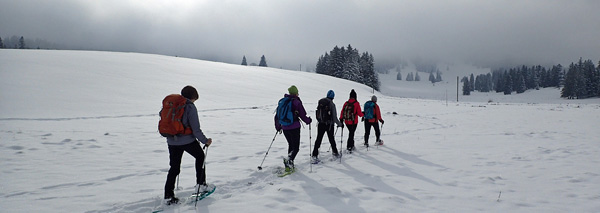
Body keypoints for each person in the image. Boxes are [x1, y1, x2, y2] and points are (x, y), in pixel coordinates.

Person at [162, 86, 214, 204]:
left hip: (171, 141)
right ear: (193, 97)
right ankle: (201, 185)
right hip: (187, 141)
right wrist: (205, 141)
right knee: (200, 157)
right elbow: (196, 130)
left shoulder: (172, 104)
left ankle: (168, 195)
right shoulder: (190, 107)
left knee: (174, 167)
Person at [274, 85, 312, 171]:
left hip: (285, 128)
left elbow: (277, 116)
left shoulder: (283, 101)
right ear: (296, 93)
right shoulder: (296, 102)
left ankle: (290, 164)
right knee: (296, 147)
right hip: (294, 127)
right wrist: (308, 121)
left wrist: (278, 126)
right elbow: (302, 114)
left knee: (291, 145)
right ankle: (289, 161)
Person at [312, 90, 344, 162]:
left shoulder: (321, 102)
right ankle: (335, 153)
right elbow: (334, 117)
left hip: (320, 123)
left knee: (319, 139)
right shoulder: (331, 104)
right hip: (329, 125)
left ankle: (314, 154)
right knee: (331, 139)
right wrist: (340, 124)